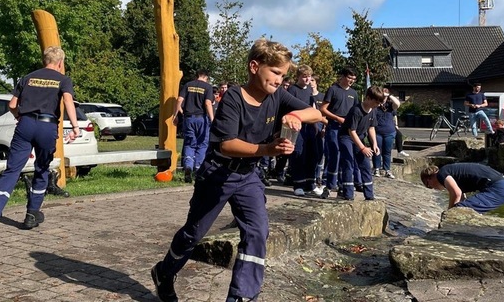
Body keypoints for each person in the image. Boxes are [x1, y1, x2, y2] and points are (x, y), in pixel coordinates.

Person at [150, 39, 323, 302]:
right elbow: (227, 144)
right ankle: (164, 272)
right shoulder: (232, 97)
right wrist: (267, 150)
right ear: (255, 66)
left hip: (248, 176)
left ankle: (242, 296)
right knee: (194, 233)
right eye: (275, 72)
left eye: (283, 75)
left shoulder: (277, 96)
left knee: (257, 230)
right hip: (218, 173)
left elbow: (317, 114)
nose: (279, 80)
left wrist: (296, 116)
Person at [0, 46, 80, 244]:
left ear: (44, 61)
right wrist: (74, 126)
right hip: (47, 127)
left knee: (12, 171)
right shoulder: (63, 79)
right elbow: (68, 100)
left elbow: (12, 105)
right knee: (42, 169)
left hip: (25, 125)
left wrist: (20, 118)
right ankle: (32, 214)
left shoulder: (27, 77)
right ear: (60, 63)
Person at [332, 86, 384, 200]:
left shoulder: (373, 110)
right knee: (349, 163)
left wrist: (374, 144)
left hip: (359, 137)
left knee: (365, 164)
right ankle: (348, 193)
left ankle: (369, 195)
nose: (378, 105)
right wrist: (362, 148)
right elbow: (352, 131)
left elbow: (371, 128)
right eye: (376, 102)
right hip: (346, 137)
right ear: (368, 98)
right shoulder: (356, 110)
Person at [318, 67, 358, 195]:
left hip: (347, 129)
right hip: (334, 127)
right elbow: (323, 109)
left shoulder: (354, 93)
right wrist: (337, 118)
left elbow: (356, 111)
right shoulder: (333, 89)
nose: (351, 81)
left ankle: (343, 185)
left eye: (353, 79)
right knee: (334, 155)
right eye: (349, 78)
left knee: (346, 157)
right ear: (343, 77)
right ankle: (329, 184)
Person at [420, 163, 504, 214]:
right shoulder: (452, 173)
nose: (432, 188)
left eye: (429, 186)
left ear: (429, 179)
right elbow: (461, 197)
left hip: (500, 188)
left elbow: (456, 193)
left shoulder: (441, 174)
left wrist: (449, 212)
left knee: (457, 212)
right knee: (465, 210)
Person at [173, 70, 215, 183]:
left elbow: (179, 100)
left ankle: (188, 166)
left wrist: (176, 114)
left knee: (189, 143)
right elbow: (207, 103)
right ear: (206, 77)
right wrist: (212, 119)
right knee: (202, 144)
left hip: (188, 118)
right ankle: (198, 168)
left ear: (197, 76)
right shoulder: (207, 87)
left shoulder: (188, 85)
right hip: (201, 118)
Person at [286, 65, 318, 196]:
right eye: (304, 76)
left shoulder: (310, 90)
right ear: (298, 77)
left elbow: (313, 107)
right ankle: (298, 184)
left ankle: (310, 183)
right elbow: (287, 107)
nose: (307, 79)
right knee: (298, 154)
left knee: (312, 154)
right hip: (297, 125)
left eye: (309, 76)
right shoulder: (293, 90)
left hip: (309, 126)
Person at [372, 87, 400, 179]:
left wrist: (389, 96)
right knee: (377, 150)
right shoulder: (376, 105)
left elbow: (397, 104)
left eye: (385, 95)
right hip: (377, 131)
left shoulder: (390, 105)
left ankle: (387, 169)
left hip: (389, 132)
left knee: (387, 152)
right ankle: (376, 168)